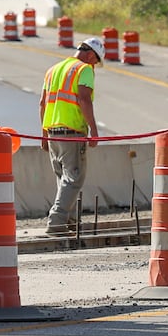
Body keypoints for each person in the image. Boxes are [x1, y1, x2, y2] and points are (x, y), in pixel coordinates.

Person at [40, 37, 102, 236]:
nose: (94, 67)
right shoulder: (83, 69)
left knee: (64, 181)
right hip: (71, 132)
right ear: (91, 55)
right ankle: (56, 222)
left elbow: (43, 103)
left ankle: (71, 222)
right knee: (73, 179)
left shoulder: (53, 69)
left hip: (53, 134)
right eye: (96, 62)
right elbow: (84, 99)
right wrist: (94, 130)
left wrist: (43, 133)